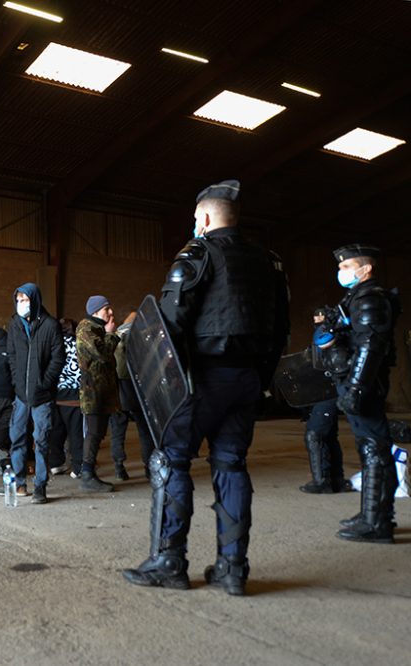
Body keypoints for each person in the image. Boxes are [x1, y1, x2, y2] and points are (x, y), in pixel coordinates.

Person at [122, 179, 289, 596]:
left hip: (200, 380)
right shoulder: (268, 263)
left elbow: (167, 328)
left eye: (197, 218)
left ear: (207, 218)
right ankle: (233, 568)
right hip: (247, 379)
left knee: (171, 461)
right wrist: (259, 381)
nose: (195, 224)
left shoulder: (197, 255)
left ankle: (169, 561)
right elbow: (281, 329)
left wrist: (166, 390)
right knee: (231, 464)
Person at [318, 244, 401, 543]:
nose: (341, 271)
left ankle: (377, 523)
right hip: (358, 379)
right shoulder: (357, 297)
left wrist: (355, 386)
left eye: (346, 266)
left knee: (374, 448)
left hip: (364, 382)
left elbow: (370, 346)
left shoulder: (369, 299)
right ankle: (374, 514)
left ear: (365, 269)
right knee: (371, 447)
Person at [0, 283, 64, 505]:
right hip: (21, 396)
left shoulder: (50, 325)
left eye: (25, 300)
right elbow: (13, 358)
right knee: (17, 438)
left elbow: (58, 359)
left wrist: (44, 383)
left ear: (34, 300)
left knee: (42, 440)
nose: (21, 304)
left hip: (42, 397)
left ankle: (40, 486)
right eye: (18, 300)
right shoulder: (15, 324)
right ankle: (19, 483)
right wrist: (18, 383)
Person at [74, 295, 121, 491]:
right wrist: (111, 334)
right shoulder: (87, 329)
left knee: (98, 432)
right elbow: (102, 354)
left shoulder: (97, 329)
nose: (110, 313)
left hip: (103, 391)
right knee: (93, 433)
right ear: (95, 311)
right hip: (93, 392)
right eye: (106, 309)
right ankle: (87, 476)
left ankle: (90, 473)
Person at [300, 308, 346, 494]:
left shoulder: (330, 333)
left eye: (320, 315)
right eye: (315, 314)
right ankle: (336, 479)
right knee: (329, 435)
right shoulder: (327, 332)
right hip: (327, 389)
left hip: (329, 389)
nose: (316, 318)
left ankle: (322, 481)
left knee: (315, 433)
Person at [109, 311, 155, 477]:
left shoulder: (115, 337)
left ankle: (119, 467)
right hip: (139, 390)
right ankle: (148, 467)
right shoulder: (143, 337)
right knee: (145, 431)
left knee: (117, 431)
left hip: (118, 390)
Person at [51, 318, 82, 478]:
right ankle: (77, 468)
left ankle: (56, 464)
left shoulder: (53, 345)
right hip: (75, 396)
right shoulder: (79, 344)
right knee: (76, 433)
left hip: (56, 394)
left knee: (56, 432)